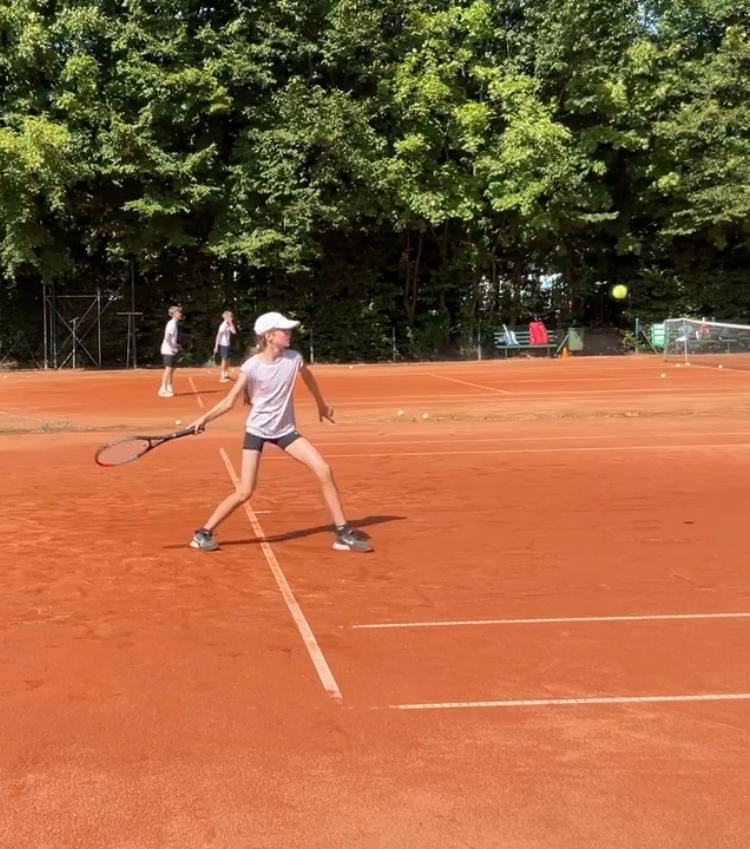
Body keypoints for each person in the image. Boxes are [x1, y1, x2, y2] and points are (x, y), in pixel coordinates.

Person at [187, 311, 373, 553]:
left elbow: (309, 378)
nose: (289, 333)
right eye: (284, 330)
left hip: (285, 430)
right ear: (269, 336)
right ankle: (203, 532)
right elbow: (230, 401)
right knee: (245, 491)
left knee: (323, 469)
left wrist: (321, 405)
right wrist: (203, 419)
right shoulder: (252, 366)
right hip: (257, 430)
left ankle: (343, 532)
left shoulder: (294, 359)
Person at [158, 305, 182, 397]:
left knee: (171, 369)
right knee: (168, 369)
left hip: (171, 349)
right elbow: (167, 337)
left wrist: (176, 345)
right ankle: (162, 389)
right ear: (174, 314)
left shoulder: (174, 324)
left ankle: (169, 387)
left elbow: (171, 339)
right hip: (168, 350)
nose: (180, 314)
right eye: (178, 312)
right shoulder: (172, 324)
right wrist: (172, 347)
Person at [214, 310, 237, 382]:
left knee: (228, 360)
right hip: (223, 345)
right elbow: (218, 336)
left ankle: (226, 374)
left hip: (228, 344)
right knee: (224, 360)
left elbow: (234, 332)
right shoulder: (223, 325)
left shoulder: (228, 324)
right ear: (226, 317)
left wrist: (231, 323)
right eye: (230, 316)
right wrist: (216, 346)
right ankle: (222, 376)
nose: (232, 317)